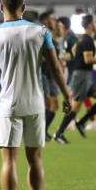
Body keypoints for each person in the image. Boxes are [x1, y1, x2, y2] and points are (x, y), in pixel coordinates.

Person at [0, 0, 70, 190]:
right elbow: (55, 68)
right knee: (35, 159)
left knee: (9, 161)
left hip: (8, 104)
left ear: (1, 8)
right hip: (35, 103)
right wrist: (67, 95)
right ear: (24, 7)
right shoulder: (41, 32)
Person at [53, 15, 96, 143]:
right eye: (95, 23)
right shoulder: (86, 40)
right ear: (91, 25)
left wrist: (68, 59)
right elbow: (88, 59)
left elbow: (74, 51)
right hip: (81, 76)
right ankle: (58, 133)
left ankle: (82, 122)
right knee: (74, 106)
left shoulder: (81, 39)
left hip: (85, 75)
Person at [39, 12, 62, 140]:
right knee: (47, 104)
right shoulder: (40, 37)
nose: (54, 22)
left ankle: (43, 131)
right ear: (45, 22)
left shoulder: (53, 39)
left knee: (55, 105)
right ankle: (39, 132)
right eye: (51, 20)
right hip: (42, 74)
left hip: (52, 75)